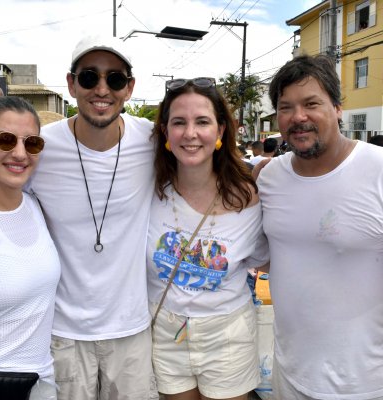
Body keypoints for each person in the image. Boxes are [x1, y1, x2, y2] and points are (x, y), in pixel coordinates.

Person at [26, 36, 155, 400]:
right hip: (62, 333)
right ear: (71, 84)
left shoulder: (151, 140)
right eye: (89, 77)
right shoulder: (40, 148)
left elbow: (205, 158)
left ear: (129, 88)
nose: (102, 89)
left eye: (114, 79)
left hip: (131, 332)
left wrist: (263, 173)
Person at [256, 54, 383, 399]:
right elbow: (269, 256)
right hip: (290, 377)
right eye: (286, 107)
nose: (298, 117)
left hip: (367, 384)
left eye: (312, 103)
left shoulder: (378, 170)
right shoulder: (268, 178)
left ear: (338, 107)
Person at [147, 77, 269, 400]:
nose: (190, 133)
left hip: (228, 333)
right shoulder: (146, 189)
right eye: (178, 122)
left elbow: (264, 257)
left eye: (202, 121)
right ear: (165, 133)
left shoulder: (248, 197)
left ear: (221, 131)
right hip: (165, 332)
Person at [0, 96, 61, 399]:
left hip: (40, 383)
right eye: (5, 140)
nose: (19, 153)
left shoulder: (35, 206)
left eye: (32, 144)